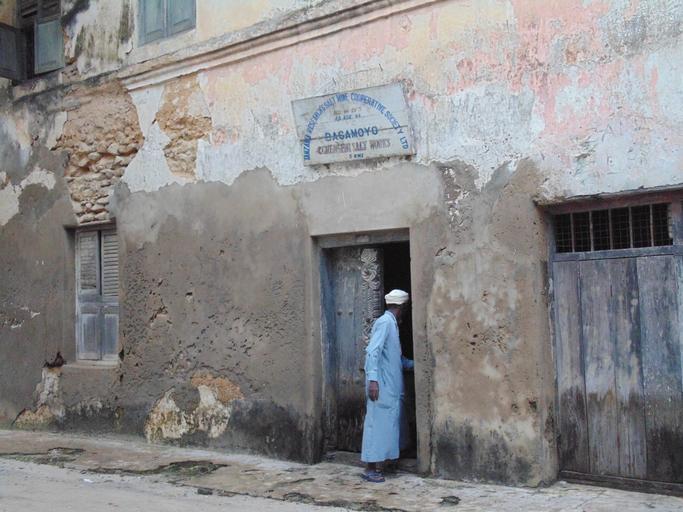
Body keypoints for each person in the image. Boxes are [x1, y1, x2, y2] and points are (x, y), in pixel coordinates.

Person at [360, 289, 414, 483]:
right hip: (381, 386)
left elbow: (396, 358)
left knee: (390, 425)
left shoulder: (392, 324)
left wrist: (415, 364)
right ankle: (370, 468)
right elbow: (372, 351)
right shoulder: (384, 323)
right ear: (402, 307)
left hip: (391, 387)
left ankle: (386, 462)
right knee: (377, 425)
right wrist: (373, 381)